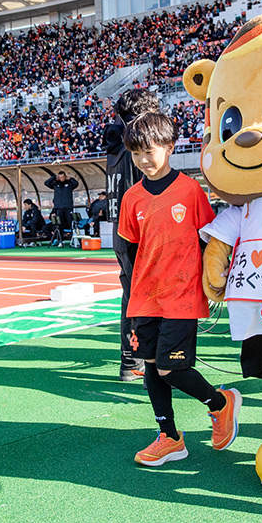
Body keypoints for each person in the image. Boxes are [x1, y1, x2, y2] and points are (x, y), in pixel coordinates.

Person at [116, 112, 241, 466]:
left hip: (182, 296)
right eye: (136, 154)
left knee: (171, 369)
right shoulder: (131, 198)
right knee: (151, 367)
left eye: (150, 152)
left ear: (170, 147)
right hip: (145, 298)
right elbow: (128, 250)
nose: (143, 160)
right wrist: (133, 291)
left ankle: (220, 403)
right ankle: (169, 437)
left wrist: (212, 280)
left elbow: (209, 240)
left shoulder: (189, 190)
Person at [103, 88, 160, 381]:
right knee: (150, 300)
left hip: (121, 233)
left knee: (131, 297)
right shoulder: (136, 148)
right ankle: (151, 363)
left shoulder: (115, 144)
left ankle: (131, 361)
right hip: (140, 233)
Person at [44, 171, 79, 242]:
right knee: (59, 224)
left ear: (65, 176)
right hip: (58, 208)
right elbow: (46, 183)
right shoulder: (55, 184)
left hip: (67, 207)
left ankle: (75, 240)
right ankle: (60, 240)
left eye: (62, 177)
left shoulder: (69, 183)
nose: (61, 178)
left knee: (70, 223)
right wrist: (53, 177)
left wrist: (70, 179)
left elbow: (76, 184)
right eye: (60, 177)